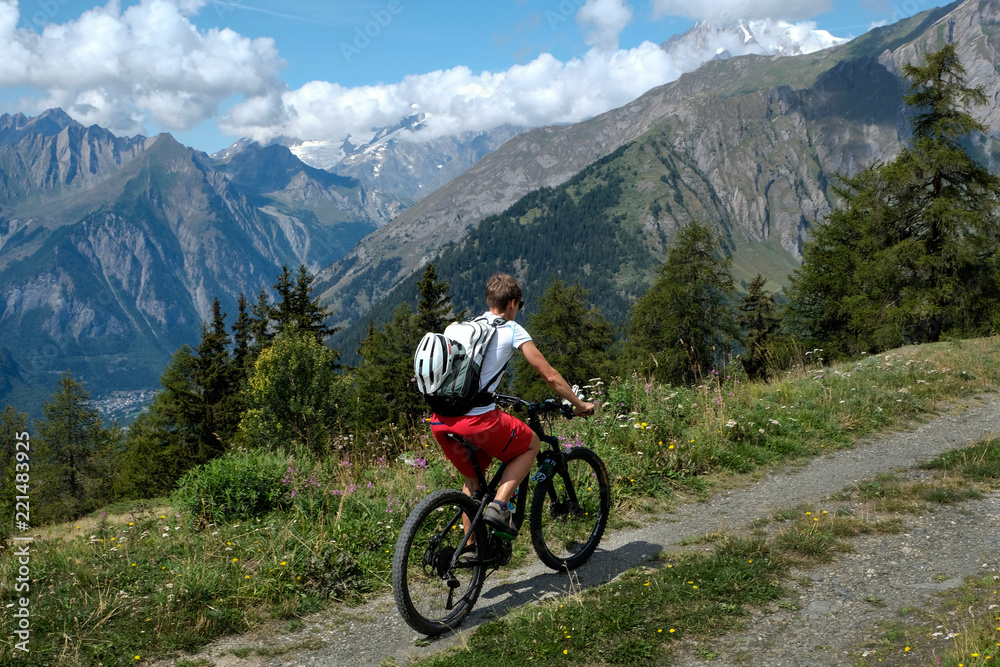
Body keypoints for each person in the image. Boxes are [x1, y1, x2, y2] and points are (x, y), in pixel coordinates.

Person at [429, 273, 595, 539]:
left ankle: (472, 548)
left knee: (472, 482)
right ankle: (499, 505)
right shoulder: (512, 329)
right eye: (519, 305)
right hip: (477, 422)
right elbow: (550, 375)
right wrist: (579, 404)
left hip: (441, 420)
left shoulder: (461, 327)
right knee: (531, 444)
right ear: (513, 303)